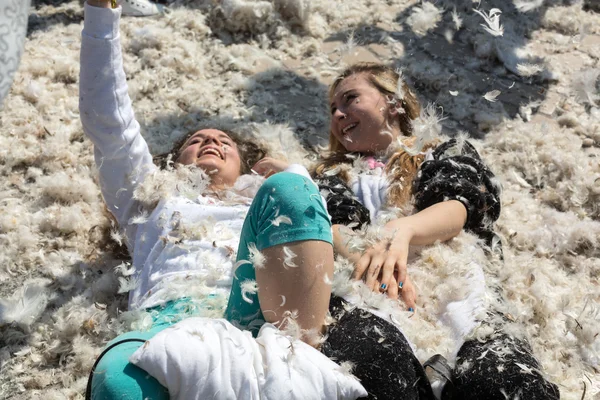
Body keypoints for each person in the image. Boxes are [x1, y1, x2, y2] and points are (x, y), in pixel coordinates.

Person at [258, 63, 560, 399]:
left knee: (500, 378)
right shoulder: (333, 174)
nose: (339, 115)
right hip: (371, 287)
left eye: (350, 99)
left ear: (395, 103)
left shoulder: (440, 152)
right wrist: (368, 256)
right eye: (333, 109)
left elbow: (459, 205)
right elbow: (333, 226)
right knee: (377, 368)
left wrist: (401, 231)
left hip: (456, 281)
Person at [81, 1, 335, 398]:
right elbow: (109, 122)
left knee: (291, 188)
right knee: (116, 379)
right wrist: (101, 14)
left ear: (246, 163)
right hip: (167, 320)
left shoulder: (257, 200)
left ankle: (297, 367)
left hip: (258, 316)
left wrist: (293, 173)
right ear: (174, 159)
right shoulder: (149, 198)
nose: (212, 141)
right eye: (196, 140)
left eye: (224, 141)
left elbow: (308, 222)